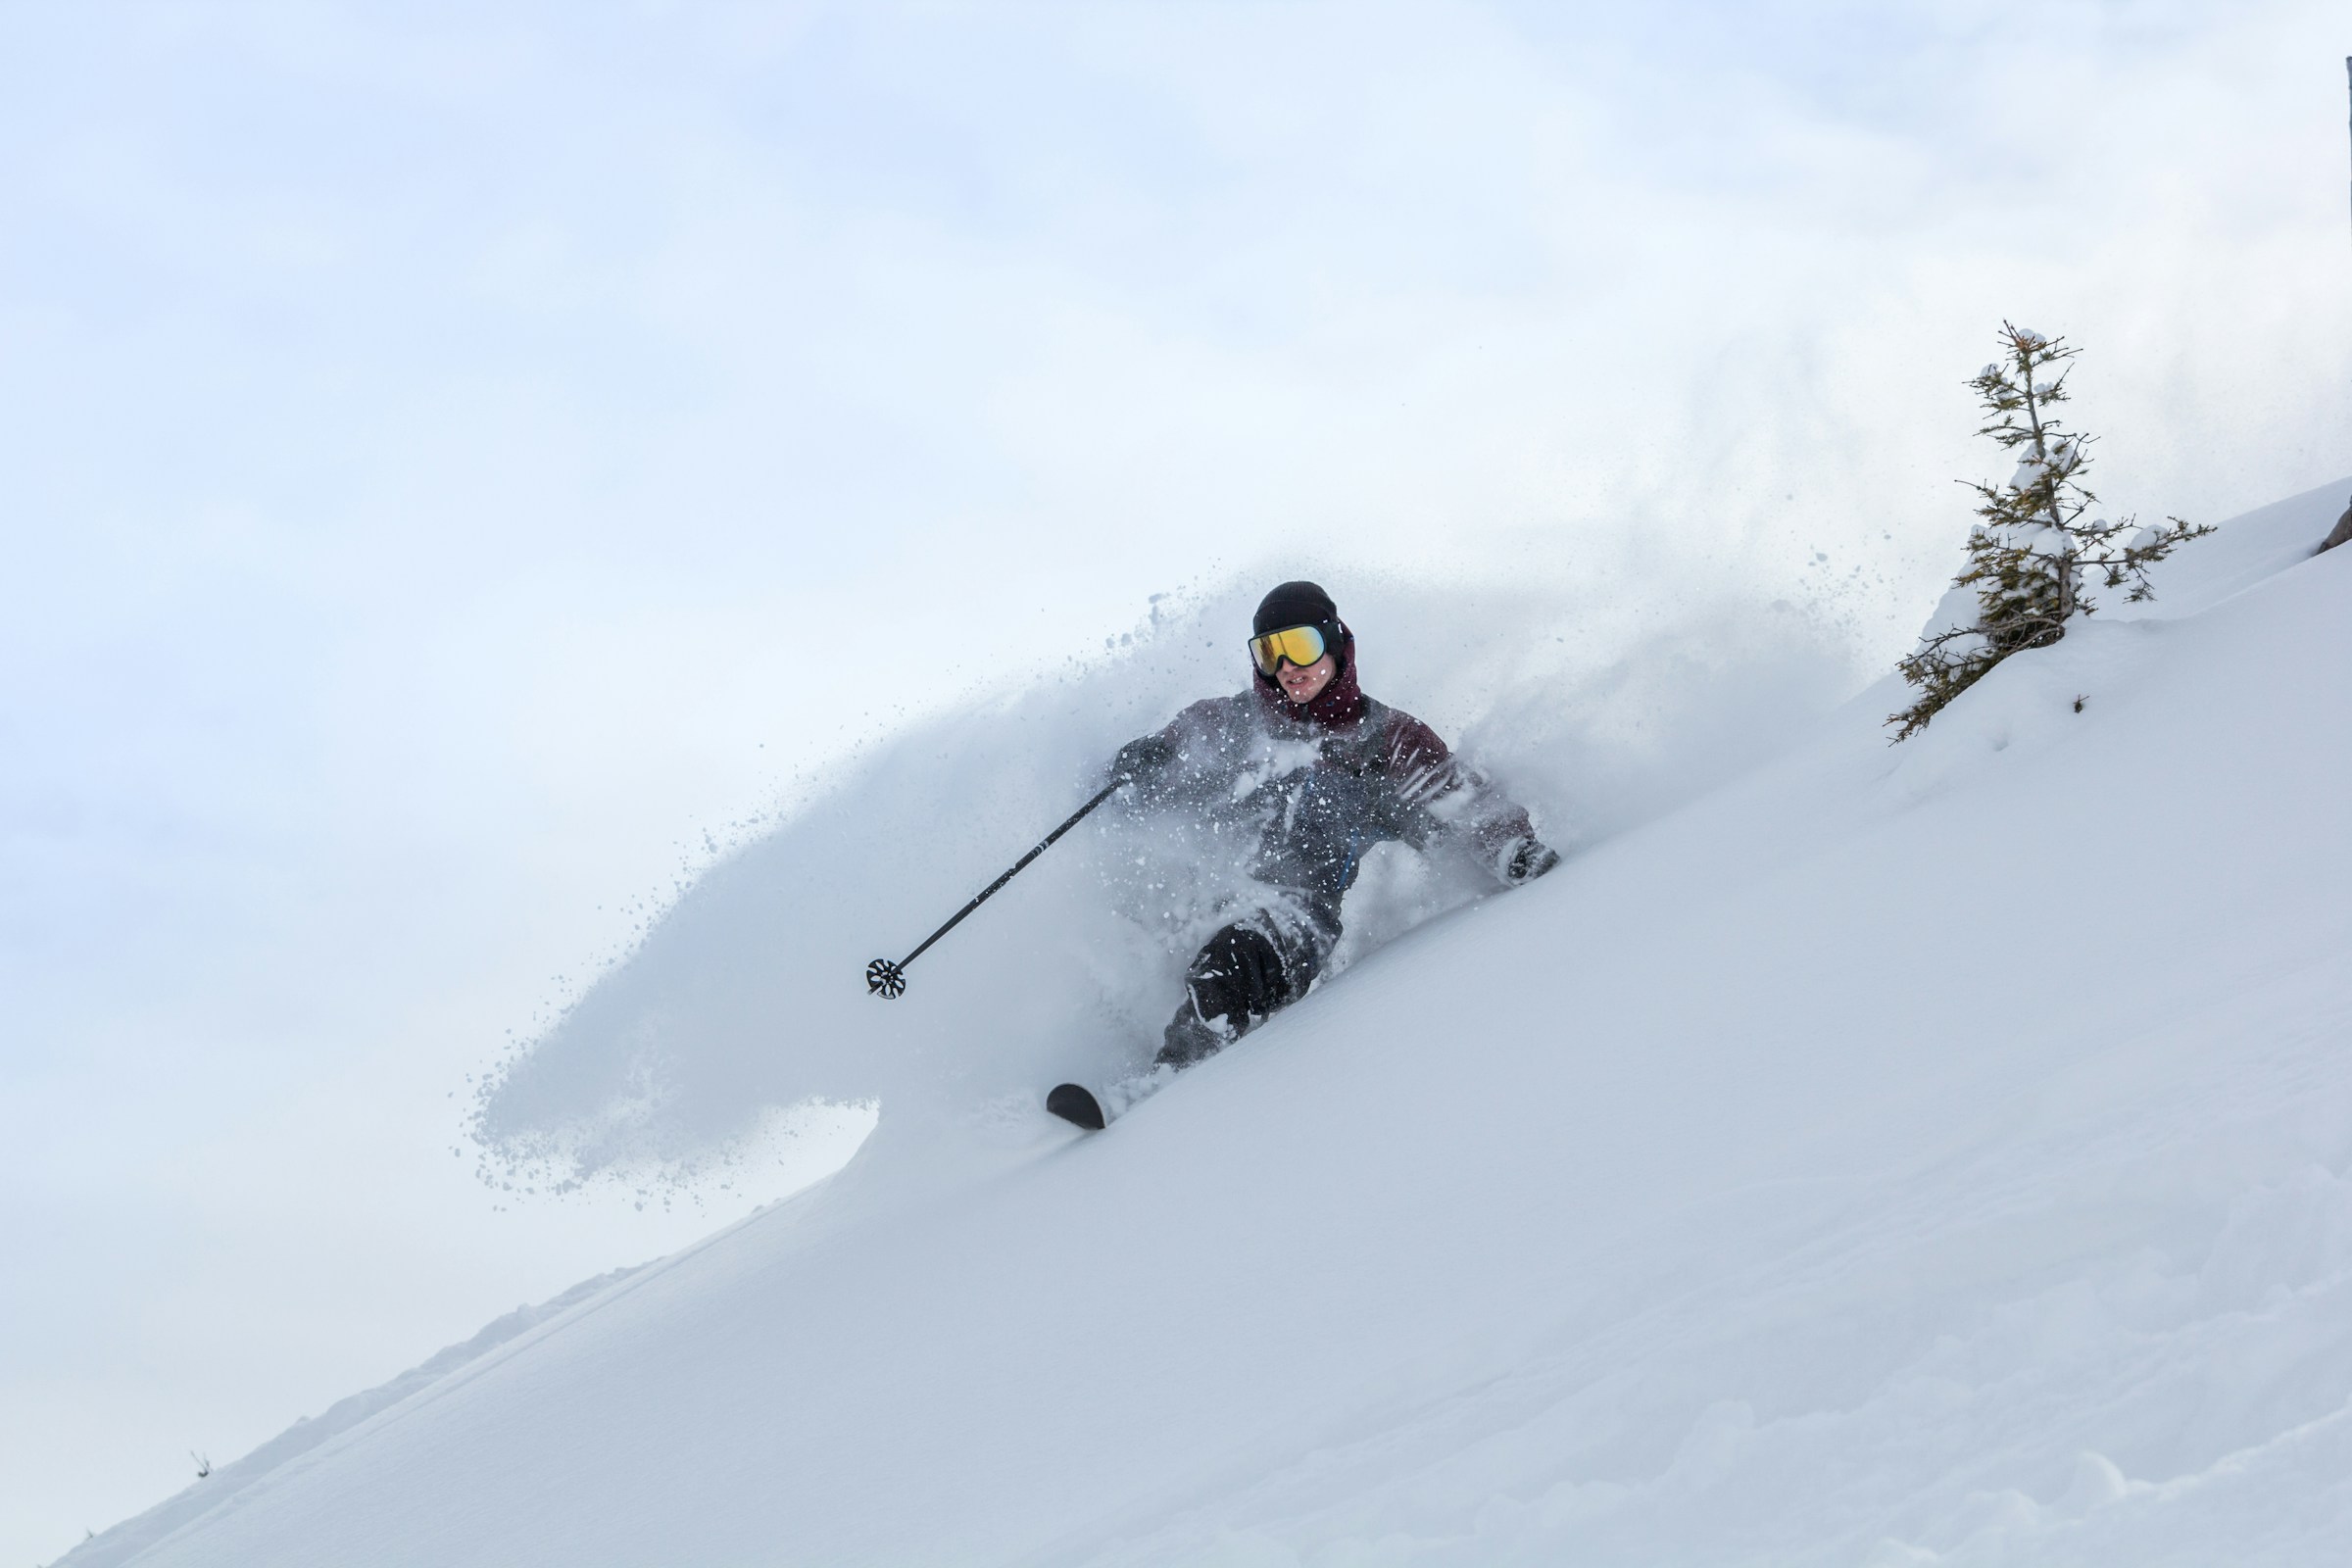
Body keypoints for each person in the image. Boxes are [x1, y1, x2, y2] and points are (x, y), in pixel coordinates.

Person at [1108, 580, 1558, 1070]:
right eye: (1269, 653)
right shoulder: (1227, 722)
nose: (1286, 669)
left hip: (1295, 912)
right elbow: (1155, 775)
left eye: (1299, 646)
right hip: (1205, 892)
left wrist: (1511, 847)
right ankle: (1114, 1064)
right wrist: (1138, 767)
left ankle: (1164, 1085)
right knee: (1139, 945)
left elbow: (1459, 798)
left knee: (1233, 964)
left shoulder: (1383, 741)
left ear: (1337, 644)